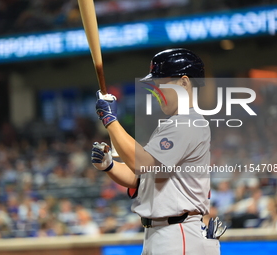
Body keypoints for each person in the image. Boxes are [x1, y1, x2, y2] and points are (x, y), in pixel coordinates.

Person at [91, 48, 226, 255]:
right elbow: (138, 177)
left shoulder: (188, 123)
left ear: (184, 82)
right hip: (161, 232)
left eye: (161, 84)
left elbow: (141, 164)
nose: (156, 92)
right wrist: (109, 164)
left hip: (177, 232)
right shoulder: (172, 125)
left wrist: (110, 120)